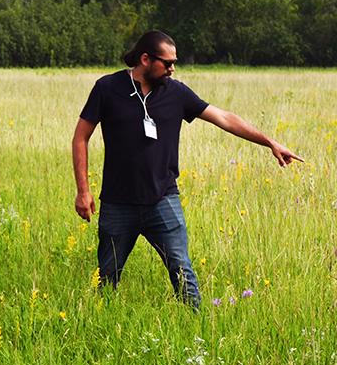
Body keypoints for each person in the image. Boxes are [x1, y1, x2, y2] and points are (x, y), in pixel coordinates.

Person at [72, 30, 303, 310]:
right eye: (167, 63)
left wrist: (269, 142)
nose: (172, 68)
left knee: (183, 273)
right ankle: (101, 325)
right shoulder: (108, 88)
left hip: (163, 201)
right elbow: (81, 136)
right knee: (107, 276)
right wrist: (83, 191)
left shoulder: (176, 92)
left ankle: (196, 325)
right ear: (145, 59)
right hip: (118, 204)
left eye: (174, 62)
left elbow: (224, 118)